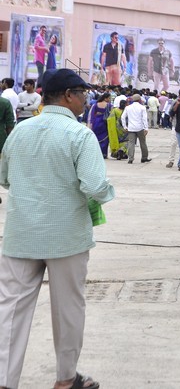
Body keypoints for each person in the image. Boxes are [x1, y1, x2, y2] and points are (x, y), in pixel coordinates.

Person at [0, 68, 114, 389]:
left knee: (10, 309)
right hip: (66, 238)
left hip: (21, 234)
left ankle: (4, 381)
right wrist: (107, 193)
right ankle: (66, 379)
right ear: (68, 96)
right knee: (68, 309)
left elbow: (4, 177)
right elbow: (94, 185)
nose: (85, 99)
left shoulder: (20, 131)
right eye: (83, 93)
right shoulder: (79, 134)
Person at [121, 94, 151, 164]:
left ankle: (130, 158)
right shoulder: (142, 107)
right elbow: (144, 119)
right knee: (143, 143)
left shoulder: (128, 107)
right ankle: (144, 157)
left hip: (131, 128)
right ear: (140, 100)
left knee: (131, 143)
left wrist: (125, 126)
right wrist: (146, 128)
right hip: (140, 128)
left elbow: (123, 117)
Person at [89, 92, 111, 158]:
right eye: (109, 98)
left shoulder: (96, 105)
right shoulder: (109, 105)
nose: (110, 99)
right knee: (105, 138)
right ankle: (104, 153)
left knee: (97, 137)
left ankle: (96, 152)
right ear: (105, 98)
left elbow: (92, 115)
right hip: (105, 122)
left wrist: (91, 124)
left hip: (97, 122)